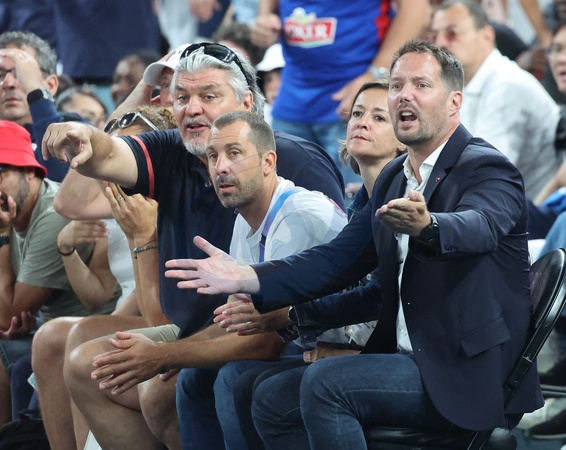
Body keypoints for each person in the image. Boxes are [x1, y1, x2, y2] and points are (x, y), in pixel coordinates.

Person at [165, 39, 542, 448]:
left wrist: (430, 226)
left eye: (420, 85)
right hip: (404, 358)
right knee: (270, 397)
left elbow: (481, 225)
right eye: (396, 86)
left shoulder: (486, 166)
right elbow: (337, 260)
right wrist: (249, 277)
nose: (404, 95)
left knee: (326, 384)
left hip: (465, 370)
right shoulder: (395, 177)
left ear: (454, 102)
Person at [42, 42, 345, 449]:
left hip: (294, 335)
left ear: (247, 104)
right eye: (182, 97)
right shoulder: (177, 150)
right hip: (209, 325)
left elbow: (279, 323)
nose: (192, 108)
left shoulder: (295, 165)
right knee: (89, 364)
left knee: (168, 387)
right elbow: (103, 161)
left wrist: (168, 353)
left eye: (209, 96)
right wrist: (86, 137)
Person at [209, 79, 406, 450]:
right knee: (242, 382)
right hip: (351, 341)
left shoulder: (400, 202)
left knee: (267, 388)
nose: (362, 122)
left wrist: (287, 313)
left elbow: (379, 297)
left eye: (380, 117)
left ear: (403, 140)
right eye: (357, 113)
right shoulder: (362, 205)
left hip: (398, 353)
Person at [174, 109, 347, 449]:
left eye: (234, 153)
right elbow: (237, 321)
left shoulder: (298, 216)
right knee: (194, 377)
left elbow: (266, 343)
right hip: (306, 340)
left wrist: (165, 356)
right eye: (213, 156)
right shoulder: (246, 216)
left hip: (351, 346)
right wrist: (175, 352)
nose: (221, 167)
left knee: (234, 378)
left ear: (268, 162)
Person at [32, 105, 177, 450]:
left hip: (170, 320)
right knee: (55, 335)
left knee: (83, 340)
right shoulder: (119, 205)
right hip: (138, 310)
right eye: (114, 153)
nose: (116, 166)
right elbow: (98, 294)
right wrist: (67, 251)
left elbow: (159, 316)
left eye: (128, 152)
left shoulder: (169, 203)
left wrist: (142, 238)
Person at [0, 121, 97, 445]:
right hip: (41, 331)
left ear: (30, 173)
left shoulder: (53, 213)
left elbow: (8, 313)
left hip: (86, 328)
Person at [252, 0, 431, 186]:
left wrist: (375, 73)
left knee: (355, 201)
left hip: (352, 109)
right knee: (282, 201)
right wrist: (265, 16)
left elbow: (417, 8)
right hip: (291, 104)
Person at [431, 0, 561, 200]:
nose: (440, 43)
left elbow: (484, 173)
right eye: (434, 36)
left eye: (452, 33)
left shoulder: (507, 84)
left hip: (533, 210)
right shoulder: (464, 85)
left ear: (487, 35)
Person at [0, 31, 77, 181]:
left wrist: (37, 94)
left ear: (50, 85)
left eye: (21, 73)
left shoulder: (76, 130)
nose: (8, 83)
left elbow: (60, 182)